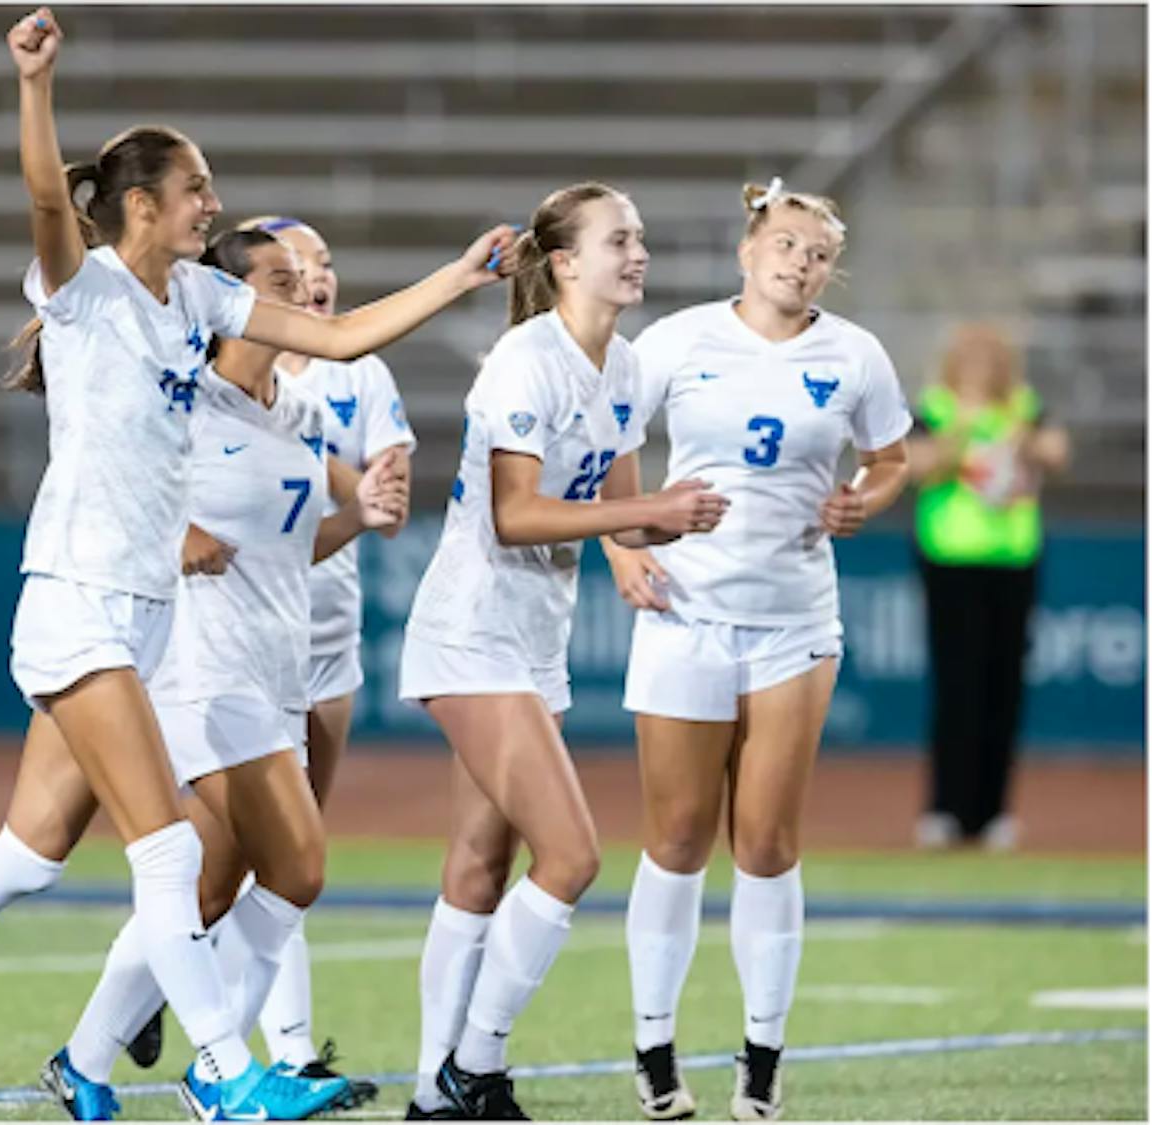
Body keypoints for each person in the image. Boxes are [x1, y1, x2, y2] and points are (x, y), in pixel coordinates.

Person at [0, 8, 514, 1119]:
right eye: (198, 191)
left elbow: (338, 337)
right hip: (78, 599)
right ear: (142, 205)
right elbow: (47, 200)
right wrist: (33, 84)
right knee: (171, 848)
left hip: (141, 615)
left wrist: (460, 278)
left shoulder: (202, 296)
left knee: (31, 851)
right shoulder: (82, 287)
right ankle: (228, 1078)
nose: (213, 207)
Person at [42, 226, 405, 1120]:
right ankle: (221, 1069)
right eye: (280, 280)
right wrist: (172, 537)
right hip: (200, 668)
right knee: (300, 865)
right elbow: (101, 492)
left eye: (309, 278)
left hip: (275, 664)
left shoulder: (295, 412)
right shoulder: (182, 401)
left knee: (213, 883)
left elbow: (291, 548)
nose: (304, 293)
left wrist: (358, 513)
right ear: (232, 298)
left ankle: (84, 1059)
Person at [398, 182, 729, 1120]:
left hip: (532, 639)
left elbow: (620, 504)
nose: (639, 252)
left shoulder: (622, 364)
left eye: (641, 238)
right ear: (565, 262)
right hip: (472, 630)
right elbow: (515, 517)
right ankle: (477, 1062)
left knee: (476, 866)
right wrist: (647, 512)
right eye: (619, 238)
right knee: (573, 855)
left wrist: (666, 527)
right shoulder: (522, 360)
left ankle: (434, 1095)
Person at [619, 177, 912, 1121]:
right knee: (675, 836)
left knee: (770, 840)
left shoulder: (856, 353)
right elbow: (607, 443)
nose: (800, 262)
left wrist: (866, 497)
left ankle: (762, 1052)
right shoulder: (675, 340)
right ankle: (654, 1045)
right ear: (748, 251)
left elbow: (893, 456)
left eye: (818, 253)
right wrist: (622, 541)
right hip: (684, 608)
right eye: (785, 244)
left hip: (794, 619)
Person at [908, 322, 1070, 851]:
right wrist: (963, 434)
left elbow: (1056, 451)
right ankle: (945, 807)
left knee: (1004, 686)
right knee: (957, 683)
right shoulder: (934, 407)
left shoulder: (1023, 407)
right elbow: (916, 465)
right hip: (950, 557)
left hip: (1012, 557)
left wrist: (1017, 438)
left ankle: (993, 810)